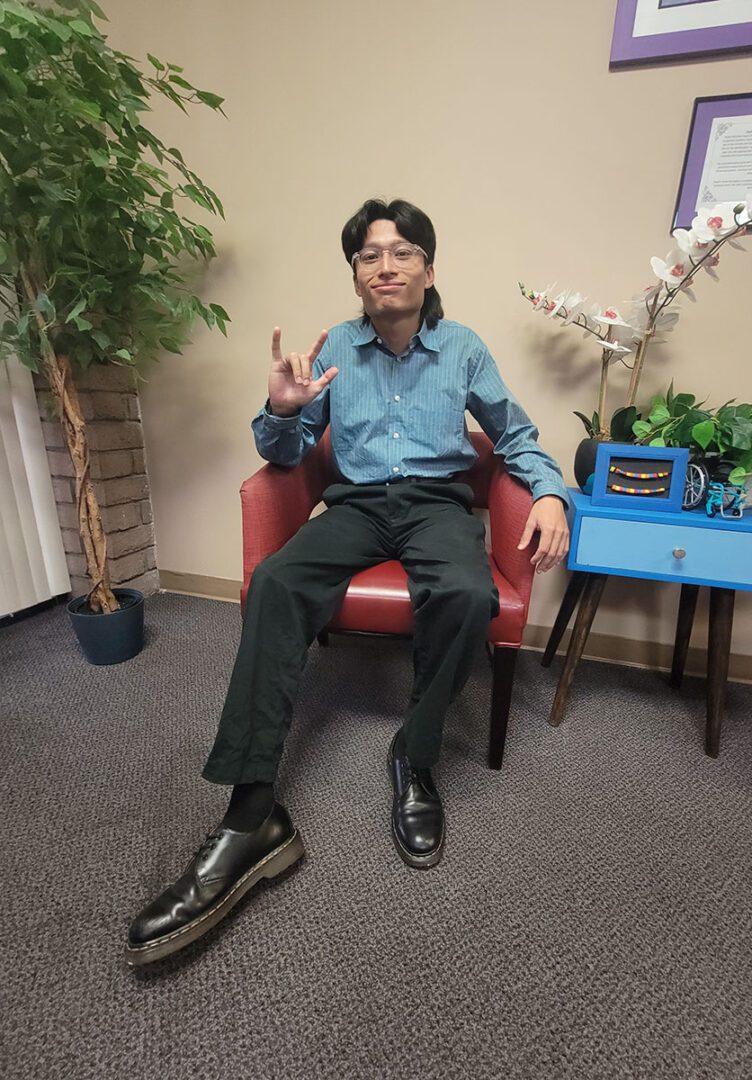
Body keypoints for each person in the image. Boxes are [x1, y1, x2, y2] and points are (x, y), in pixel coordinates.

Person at [126, 198, 570, 966]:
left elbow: (515, 436)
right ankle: (251, 813)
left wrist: (554, 491)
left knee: (466, 593)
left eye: (402, 253)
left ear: (429, 270)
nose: (386, 266)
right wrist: (281, 409)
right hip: (357, 504)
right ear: (357, 275)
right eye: (370, 255)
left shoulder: (462, 347)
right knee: (276, 583)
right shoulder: (334, 348)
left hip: (436, 505)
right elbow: (291, 452)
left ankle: (415, 756)